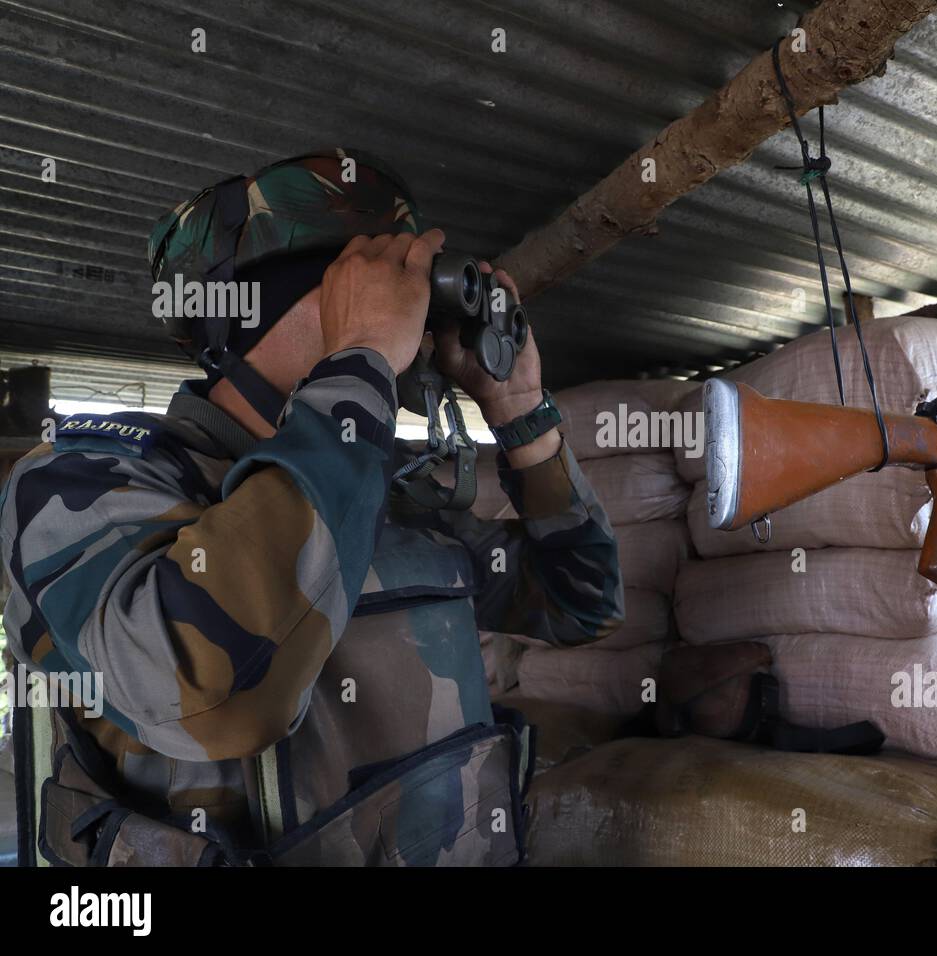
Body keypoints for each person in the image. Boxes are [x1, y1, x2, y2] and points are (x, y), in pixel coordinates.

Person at [0, 149, 624, 866]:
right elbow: (214, 695)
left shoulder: (381, 490)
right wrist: (359, 355)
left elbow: (585, 605)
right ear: (298, 297)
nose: (416, 319)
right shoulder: (81, 484)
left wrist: (521, 417)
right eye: (387, 282)